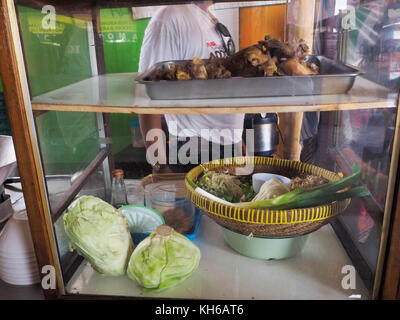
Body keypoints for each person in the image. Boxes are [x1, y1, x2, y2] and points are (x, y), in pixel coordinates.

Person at [138, 2, 245, 173]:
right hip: (193, 149)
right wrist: (160, 166)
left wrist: (237, 139)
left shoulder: (209, 18)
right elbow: (147, 97)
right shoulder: (168, 19)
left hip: (229, 146)